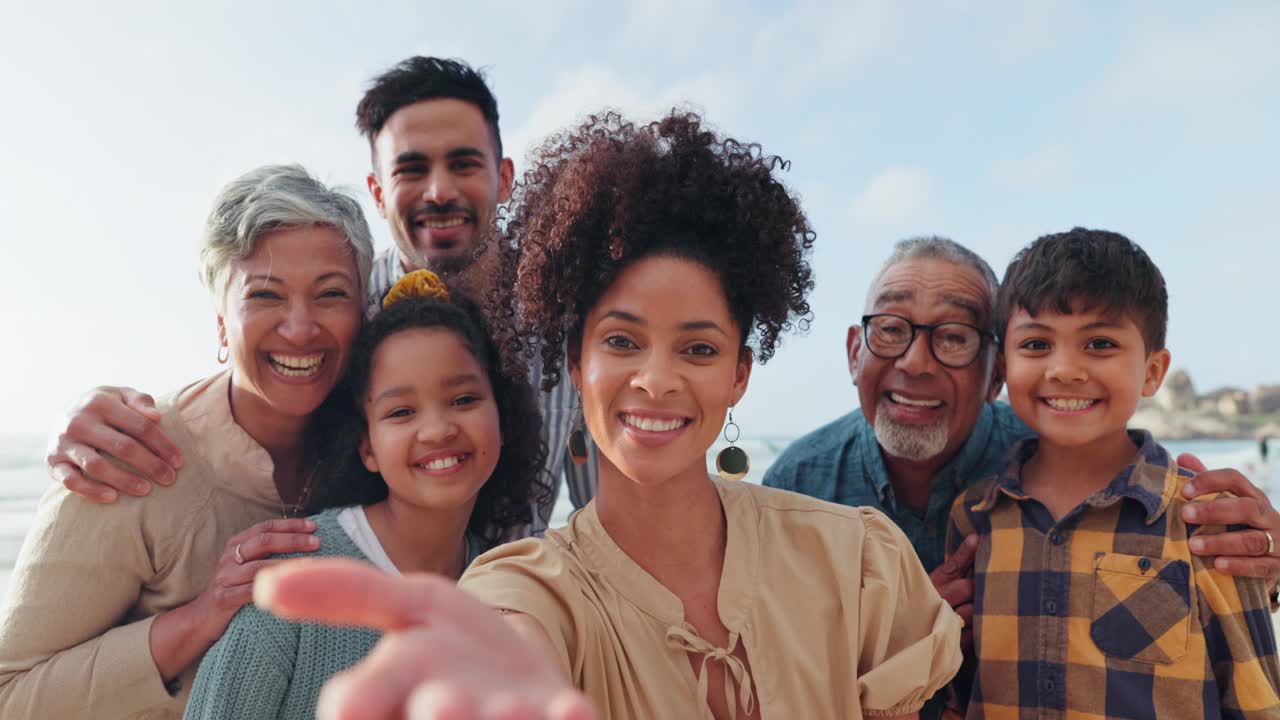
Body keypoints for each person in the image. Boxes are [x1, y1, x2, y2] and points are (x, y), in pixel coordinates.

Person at [254, 110, 963, 720]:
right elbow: (511, 641)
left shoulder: (857, 560)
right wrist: (496, 674)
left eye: (698, 347)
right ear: (574, 360)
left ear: (739, 373)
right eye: (621, 341)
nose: (656, 381)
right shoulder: (524, 587)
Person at [43, 56, 596, 537]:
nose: (439, 190)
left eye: (463, 164)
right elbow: (244, 394)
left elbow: (610, 510)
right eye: (411, 169)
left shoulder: (570, 321)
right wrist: (103, 418)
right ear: (378, 193)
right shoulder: (341, 310)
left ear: (504, 177)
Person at [0, 165, 372, 718]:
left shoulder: (380, 450)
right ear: (222, 322)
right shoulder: (125, 453)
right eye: (266, 295)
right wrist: (201, 616)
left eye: (331, 294)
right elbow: (11, 693)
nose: (300, 328)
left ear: (363, 312)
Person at [764, 238, 1280, 622]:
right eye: (892, 330)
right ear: (855, 351)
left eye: (954, 336)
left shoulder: (1059, 460)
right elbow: (764, 660)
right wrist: (885, 634)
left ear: (996, 373)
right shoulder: (798, 486)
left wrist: (1266, 565)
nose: (916, 362)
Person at [183, 270, 548, 720]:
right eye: (401, 412)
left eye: (464, 399)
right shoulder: (297, 584)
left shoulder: (507, 594)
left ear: (503, 416)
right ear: (367, 447)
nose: (437, 429)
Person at [947, 228, 1280, 718]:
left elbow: (1256, 698)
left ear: (1152, 371)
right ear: (1003, 366)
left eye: (1099, 343)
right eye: (1036, 344)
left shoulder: (1203, 523)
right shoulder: (975, 516)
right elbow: (959, 684)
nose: (1064, 369)